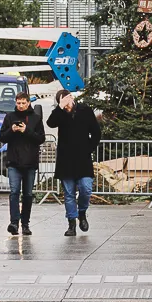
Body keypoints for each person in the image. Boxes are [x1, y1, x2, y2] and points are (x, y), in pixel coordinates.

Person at [46, 89, 102, 236]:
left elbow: (96, 132)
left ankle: (82, 212)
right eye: (62, 101)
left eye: (67, 100)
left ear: (72, 98)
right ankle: (71, 223)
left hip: (82, 159)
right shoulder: (59, 114)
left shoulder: (84, 110)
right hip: (66, 160)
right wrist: (60, 107)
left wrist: (88, 148)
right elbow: (50, 123)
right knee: (69, 193)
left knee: (86, 188)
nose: (66, 104)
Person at [0, 90, 45, 236]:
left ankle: (25, 223)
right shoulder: (9, 117)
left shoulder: (36, 118)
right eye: (18, 103)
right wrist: (12, 130)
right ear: (15, 103)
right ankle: (14, 222)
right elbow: (2, 137)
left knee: (28, 194)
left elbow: (40, 138)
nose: (21, 105)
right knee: (14, 192)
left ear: (28, 103)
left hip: (30, 162)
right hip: (14, 161)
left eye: (23, 103)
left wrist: (26, 130)